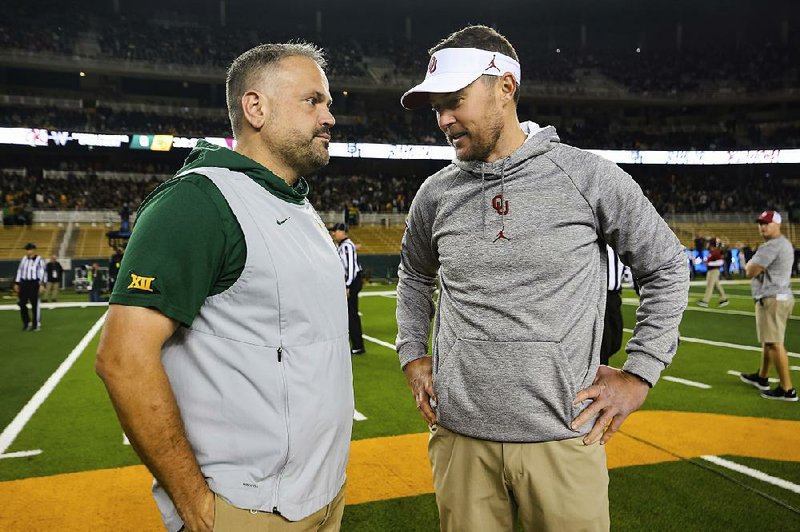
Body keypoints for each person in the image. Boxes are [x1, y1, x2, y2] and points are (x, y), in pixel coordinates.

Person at [396, 25, 688, 531]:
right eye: (436, 107)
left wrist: (639, 374)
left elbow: (666, 265)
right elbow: (414, 277)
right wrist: (412, 354)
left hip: (563, 439)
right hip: (460, 442)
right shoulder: (434, 194)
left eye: (455, 101)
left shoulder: (588, 176)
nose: (443, 119)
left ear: (505, 87)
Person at [95, 42, 353, 532]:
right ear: (256, 107)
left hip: (320, 496)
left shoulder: (297, 203)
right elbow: (123, 359)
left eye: (329, 103)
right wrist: (196, 503)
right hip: (247, 507)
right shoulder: (198, 200)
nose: (329, 118)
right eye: (313, 101)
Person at [738, 210, 796, 401]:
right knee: (769, 341)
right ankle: (762, 377)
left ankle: (787, 389)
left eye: (767, 223)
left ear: (777, 225)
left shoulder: (772, 246)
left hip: (772, 298)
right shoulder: (783, 244)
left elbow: (750, 270)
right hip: (779, 296)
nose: (762, 226)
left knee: (774, 344)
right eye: (761, 223)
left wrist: (750, 263)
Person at [332, 222, 366, 355]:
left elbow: (351, 267)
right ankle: (355, 343)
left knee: (352, 315)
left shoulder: (347, 245)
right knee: (348, 314)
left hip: (351, 282)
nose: (334, 233)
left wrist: (347, 285)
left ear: (343, 232)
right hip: (350, 282)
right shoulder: (343, 246)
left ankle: (358, 346)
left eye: (336, 231)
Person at [600, 245, 627, 365]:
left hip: (614, 296)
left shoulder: (620, 245)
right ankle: (597, 374)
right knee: (603, 342)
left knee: (615, 342)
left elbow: (631, 271)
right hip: (597, 295)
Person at [14, 242, 46, 331]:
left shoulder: (39, 260)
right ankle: (27, 322)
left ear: (33, 250)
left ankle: (36, 324)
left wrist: (42, 284)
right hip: (24, 283)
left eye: (29, 250)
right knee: (21, 303)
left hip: (34, 283)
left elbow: (43, 272)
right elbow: (19, 271)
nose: (27, 251)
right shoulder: (24, 259)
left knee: (34, 304)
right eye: (27, 250)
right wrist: (17, 283)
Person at [697, 238, 729, 307]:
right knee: (716, 285)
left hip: (714, 271)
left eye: (708, 243)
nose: (707, 244)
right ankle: (724, 299)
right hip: (711, 270)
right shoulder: (711, 252)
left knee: (710, 285)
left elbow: (720, 262)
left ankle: (706, 301)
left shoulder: (715, 252)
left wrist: (709, 263)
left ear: (711, 244)